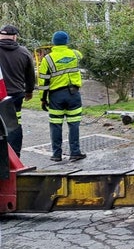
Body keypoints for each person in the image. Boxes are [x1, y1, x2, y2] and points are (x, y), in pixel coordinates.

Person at [38, 31, 86, 162]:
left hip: (56, 96)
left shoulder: (47, 59)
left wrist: (43, 99)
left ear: (53, 42)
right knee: (74, 124)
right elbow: (81, 56)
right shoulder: (75, 54)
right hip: (74, 95)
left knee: (56, 125)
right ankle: (75, 152)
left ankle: (56, 154)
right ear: (66, 41)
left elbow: (43, 81)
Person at [0, 25, 35, 158]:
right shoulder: (24, 52)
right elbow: (30, 75)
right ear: (15, 37)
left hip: (0, 94)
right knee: (14, 124)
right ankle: (15, 156)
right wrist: (29, 91)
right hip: (15, 95)